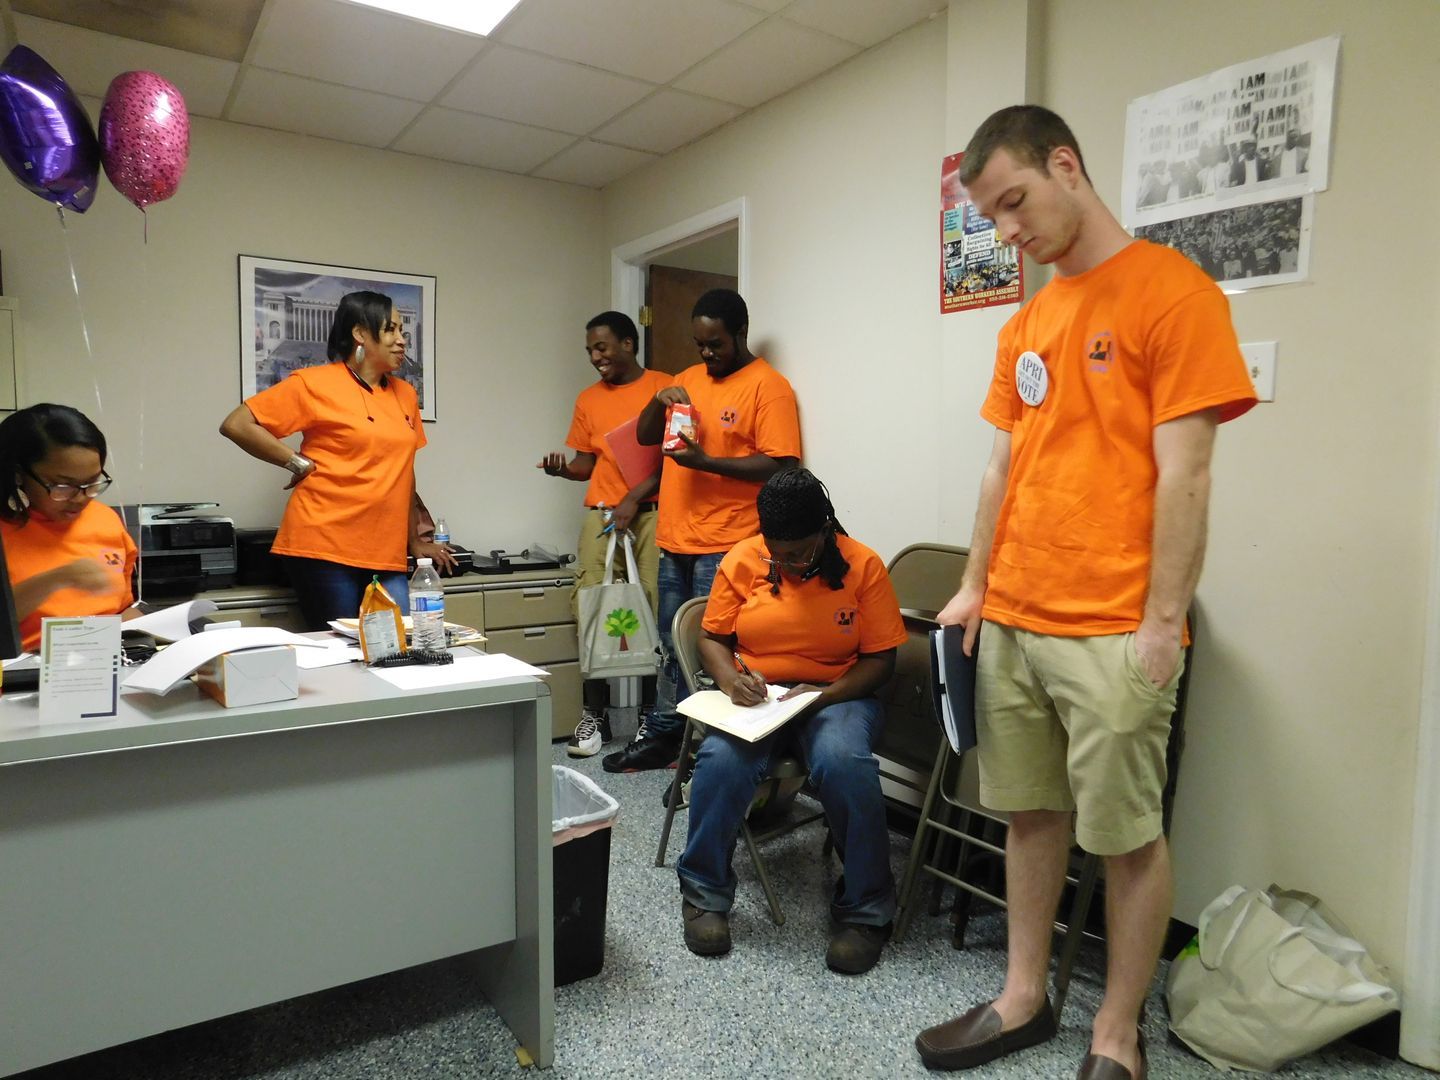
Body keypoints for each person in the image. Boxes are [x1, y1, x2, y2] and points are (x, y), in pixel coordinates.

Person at [912, 106, 1256, 1080]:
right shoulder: (1028, 318)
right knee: (1028, 816)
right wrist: (976, 586)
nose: (1008, 231)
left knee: (1128, 840)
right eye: (991, 217)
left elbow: (1185, 475)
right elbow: (1001, 466)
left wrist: (1160, 625)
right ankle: (1024, 998)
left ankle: (1116, 1031)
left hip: (1114, 629)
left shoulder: (1173, 295)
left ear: (1067, 164)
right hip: (1015, 619)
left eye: (1015, 201)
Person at [676, 468, 906, 974]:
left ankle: (866, 911)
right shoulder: (744, 558)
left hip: (838, 693)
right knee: (719, 759)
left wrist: (823, 697)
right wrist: (733, 682)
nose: (790, 564)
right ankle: (705, 894)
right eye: (778, 553)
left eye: (800, 552)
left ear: (824, 531)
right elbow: (712, 638)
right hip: (763, 696)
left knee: (845, 762)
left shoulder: (862, 566)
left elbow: (881, 662)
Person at [602, 288, 802, 773]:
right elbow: (649, 435)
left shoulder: (767, 386)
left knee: (714, 651)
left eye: (716, 344)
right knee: (671, 646)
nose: (707, 354)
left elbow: (782, 465)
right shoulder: (687, 378)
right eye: (700, 345)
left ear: (740, 334)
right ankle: (667, 736)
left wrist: (706, 462)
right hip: (676, 539)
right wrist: (657, 398)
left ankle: (708, 754)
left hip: (729, 545)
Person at [220, 291, 454, 630]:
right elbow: (237, 424)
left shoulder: (405, 394)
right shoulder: (314, 383)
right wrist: (296, 462)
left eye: (402, 331)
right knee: (343, 655)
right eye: (390, 330)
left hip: (385, 552)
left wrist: (414, 540)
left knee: (399, 647)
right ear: (360, 334)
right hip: (324, 546)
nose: (402, 341)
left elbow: (404, 474)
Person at [537, 310, 671, 756]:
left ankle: (651, 717)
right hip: (602, 513)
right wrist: (562, 471)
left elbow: (675, 460)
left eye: (603, 347)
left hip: (650, 511)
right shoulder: (588, 399)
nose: (596, 357)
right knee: (592, 607)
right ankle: (595, 716)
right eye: (590, 350)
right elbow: (586, 464)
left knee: (648, 608)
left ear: (629, 344)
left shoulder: (662, 387)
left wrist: (634, 498)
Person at [0, 404, 138, 652]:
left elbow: (121, 606)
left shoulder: (105, 520)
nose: (80, 498)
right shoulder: (6, 530)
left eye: (92, 482)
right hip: (19, 678)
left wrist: (138, 622)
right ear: (19, 474)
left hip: (102, 666)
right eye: (63, 486)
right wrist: (57, 579)